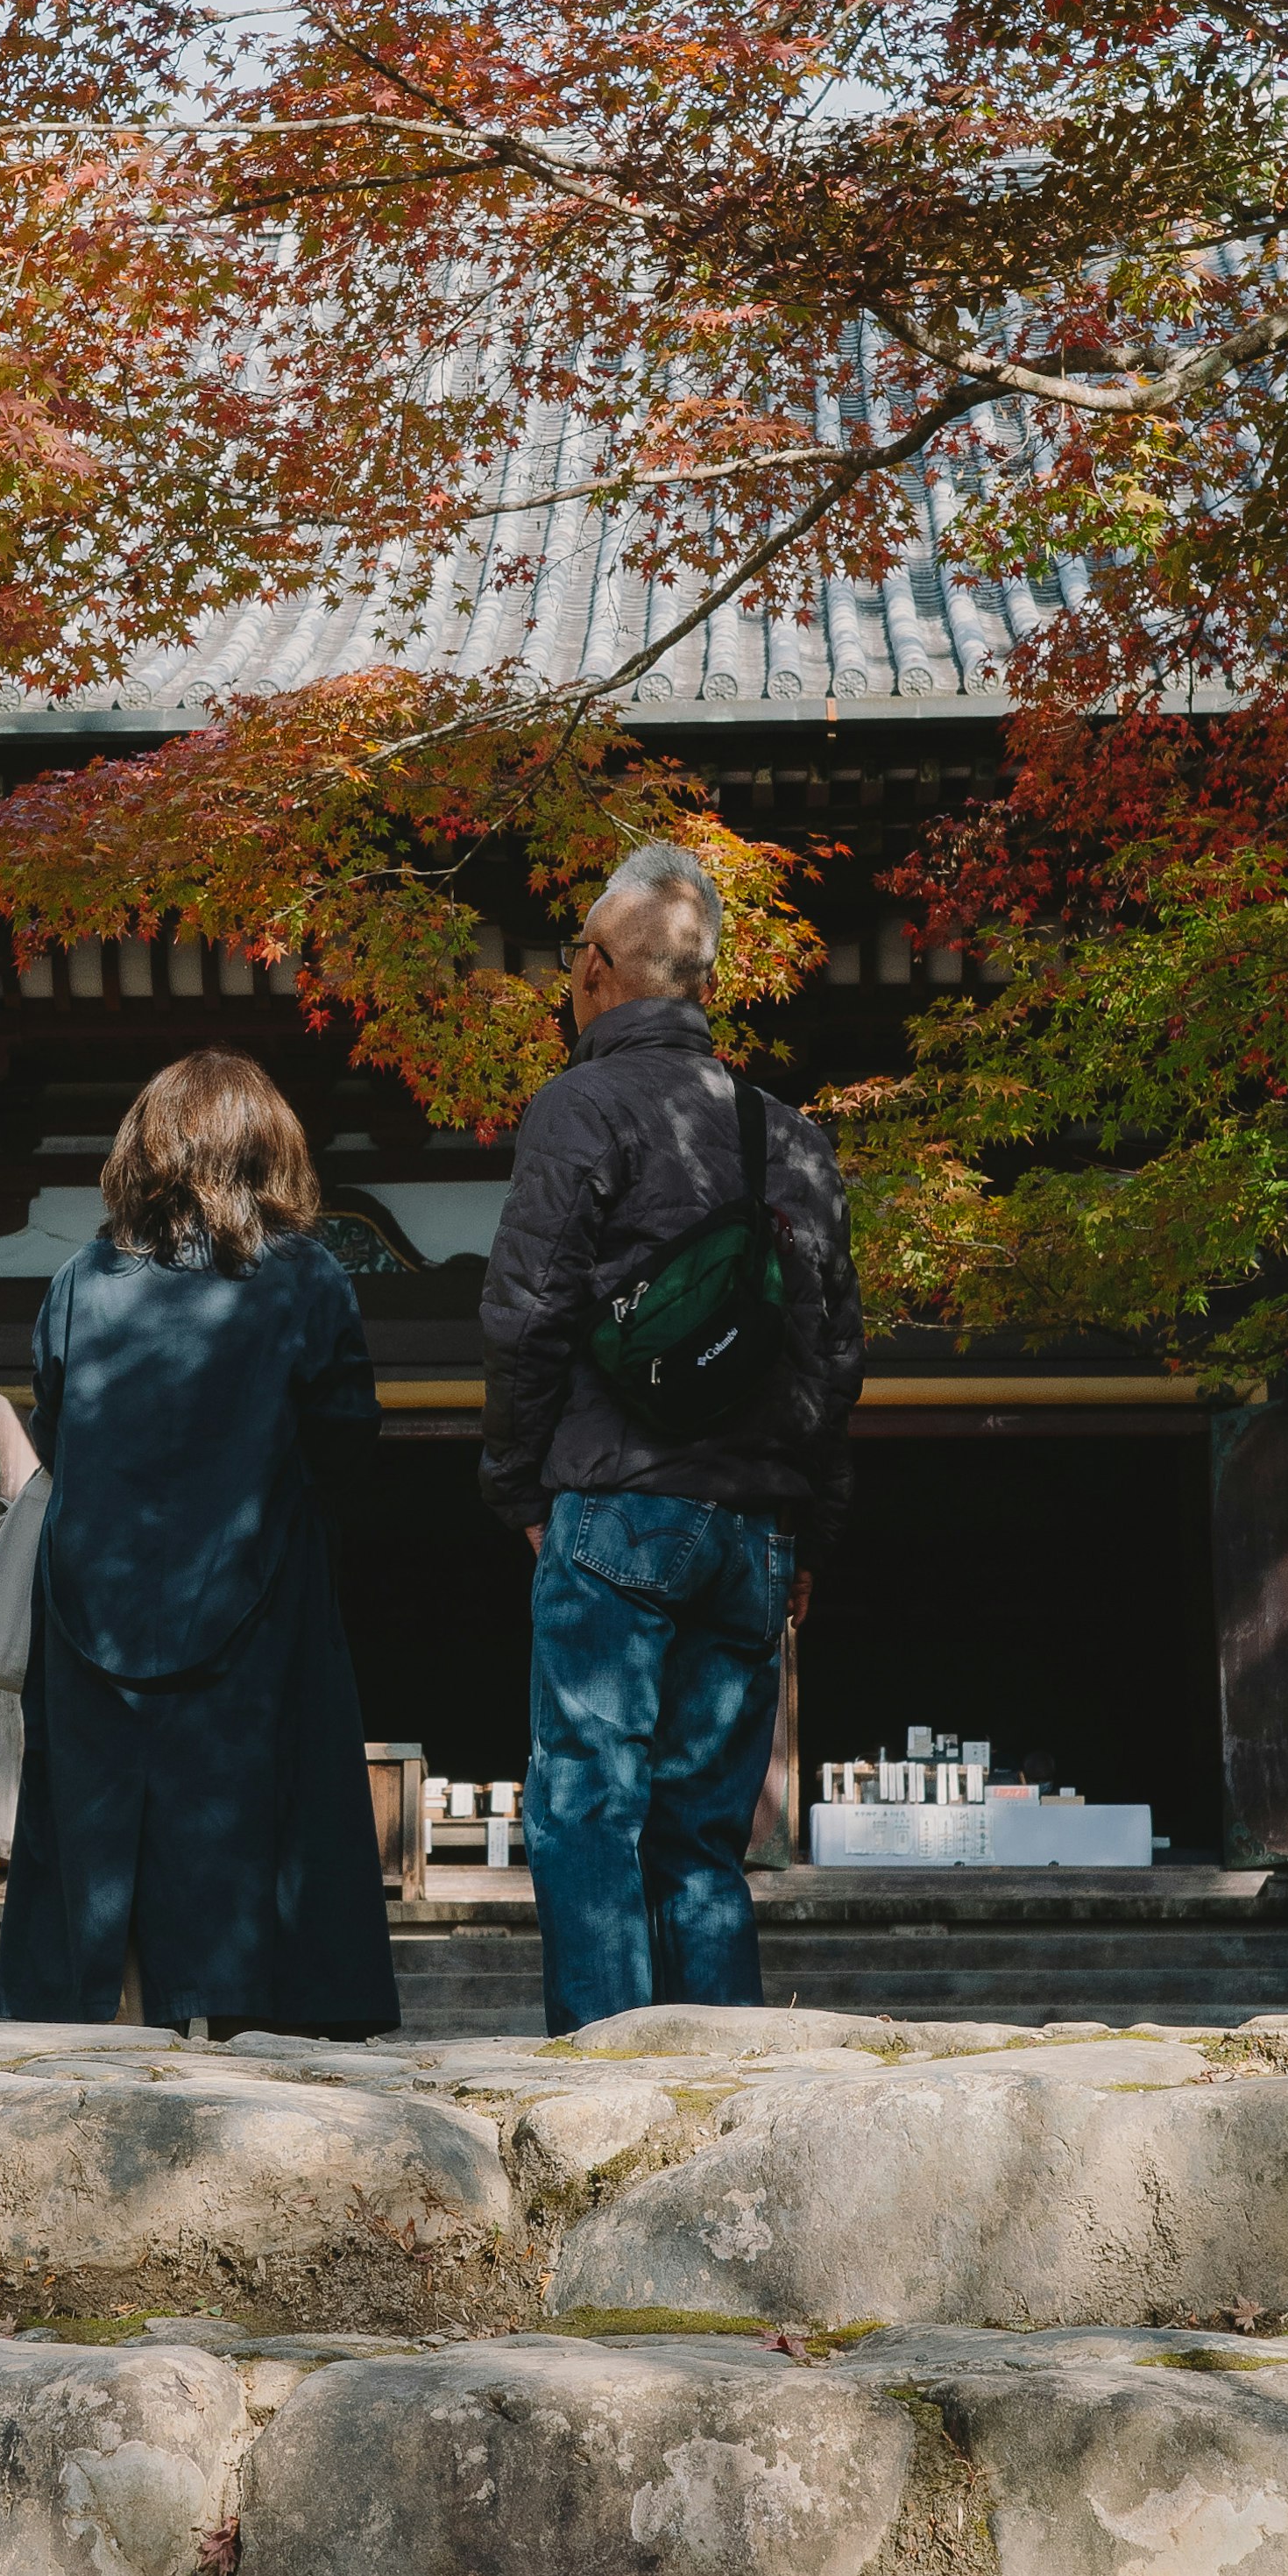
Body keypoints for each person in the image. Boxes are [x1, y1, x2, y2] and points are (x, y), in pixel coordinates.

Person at [480, 842, 865, 2028]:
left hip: (614, 1504)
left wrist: (518, 1487)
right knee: (705, 1832)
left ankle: (602, 2087)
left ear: (596, 966)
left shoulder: (578, 1107)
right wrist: (808, 1532)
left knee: (589, 1805)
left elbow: (530, 1313)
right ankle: (721, 2092)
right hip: (750, 1525)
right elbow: (833, 1351)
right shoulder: (789, 1137)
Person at [0, 1050, 396, 2036]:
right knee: (258, 1818)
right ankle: (251, 2028)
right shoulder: (305, 1279)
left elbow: (55, 1429)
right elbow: (347, 1435)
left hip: (95, 1606)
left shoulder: (82, 1280)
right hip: (255, 1589)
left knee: (92, 1829)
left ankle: (94, 2018)